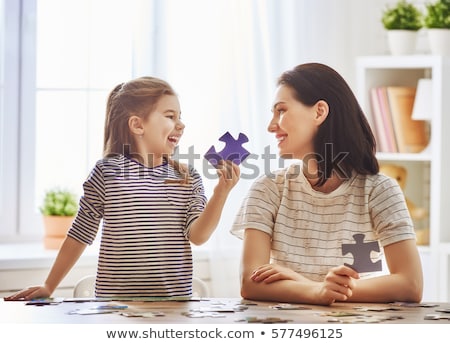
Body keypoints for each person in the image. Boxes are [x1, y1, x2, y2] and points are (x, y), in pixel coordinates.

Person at [6, 76, 239, 300]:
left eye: (180, 116)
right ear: (137, 125)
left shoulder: (187, 177)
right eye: (170, 116)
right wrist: (49, 285)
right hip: (114, 306)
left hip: (173, 306)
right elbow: (79, 234)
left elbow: (198, 236)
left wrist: (221, 192)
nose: (181, 124)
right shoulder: (107, 172)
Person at [231, 63, 423, 305]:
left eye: (281, 111)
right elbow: (250, 283)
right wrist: (318, 292)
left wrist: (315, 287)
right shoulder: (269, 188)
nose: (271, 125)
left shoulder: (378, 190)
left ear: (319, 112)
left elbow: (410, 284)